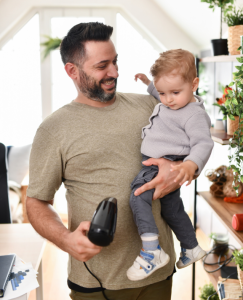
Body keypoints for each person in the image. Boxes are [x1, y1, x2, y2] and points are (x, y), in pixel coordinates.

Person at [26, 23, 187, 300]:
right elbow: (36, 202)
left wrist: (181, 170)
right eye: (102, 66)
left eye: (115, 62)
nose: (114, 72)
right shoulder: (53, 130)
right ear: (72, 71)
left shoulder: (149, 107)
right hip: (96, 282)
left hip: (158, 273)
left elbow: (191, 146)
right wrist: (66, 239)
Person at [126, 49, 214, 282]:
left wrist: (190, 166)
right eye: (163, 93)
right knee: (172, 209)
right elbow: (160, 89)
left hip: (161, 166)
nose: (168, 99)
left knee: (137, 195)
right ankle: (192, 247)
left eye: (175, 92)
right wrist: (147, 82)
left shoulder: (193, 115)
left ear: (194, 84)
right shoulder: (170, 97)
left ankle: (151, 250)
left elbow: (203, 143)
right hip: (164, 163)